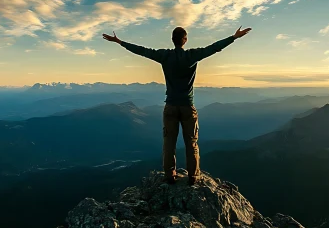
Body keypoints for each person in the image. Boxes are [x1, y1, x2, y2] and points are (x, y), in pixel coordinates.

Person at [102, 26, 252, 185]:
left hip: (171, 106)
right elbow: (214, 48)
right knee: (191, 143)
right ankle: (193, 176)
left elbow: (142, 51)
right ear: (185, 40)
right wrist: (233, 37)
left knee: (169, 143)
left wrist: (119, 42)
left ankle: (170, 175)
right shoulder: (192, 55)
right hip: (188, 106)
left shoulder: (164, 56)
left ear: (172, 40)